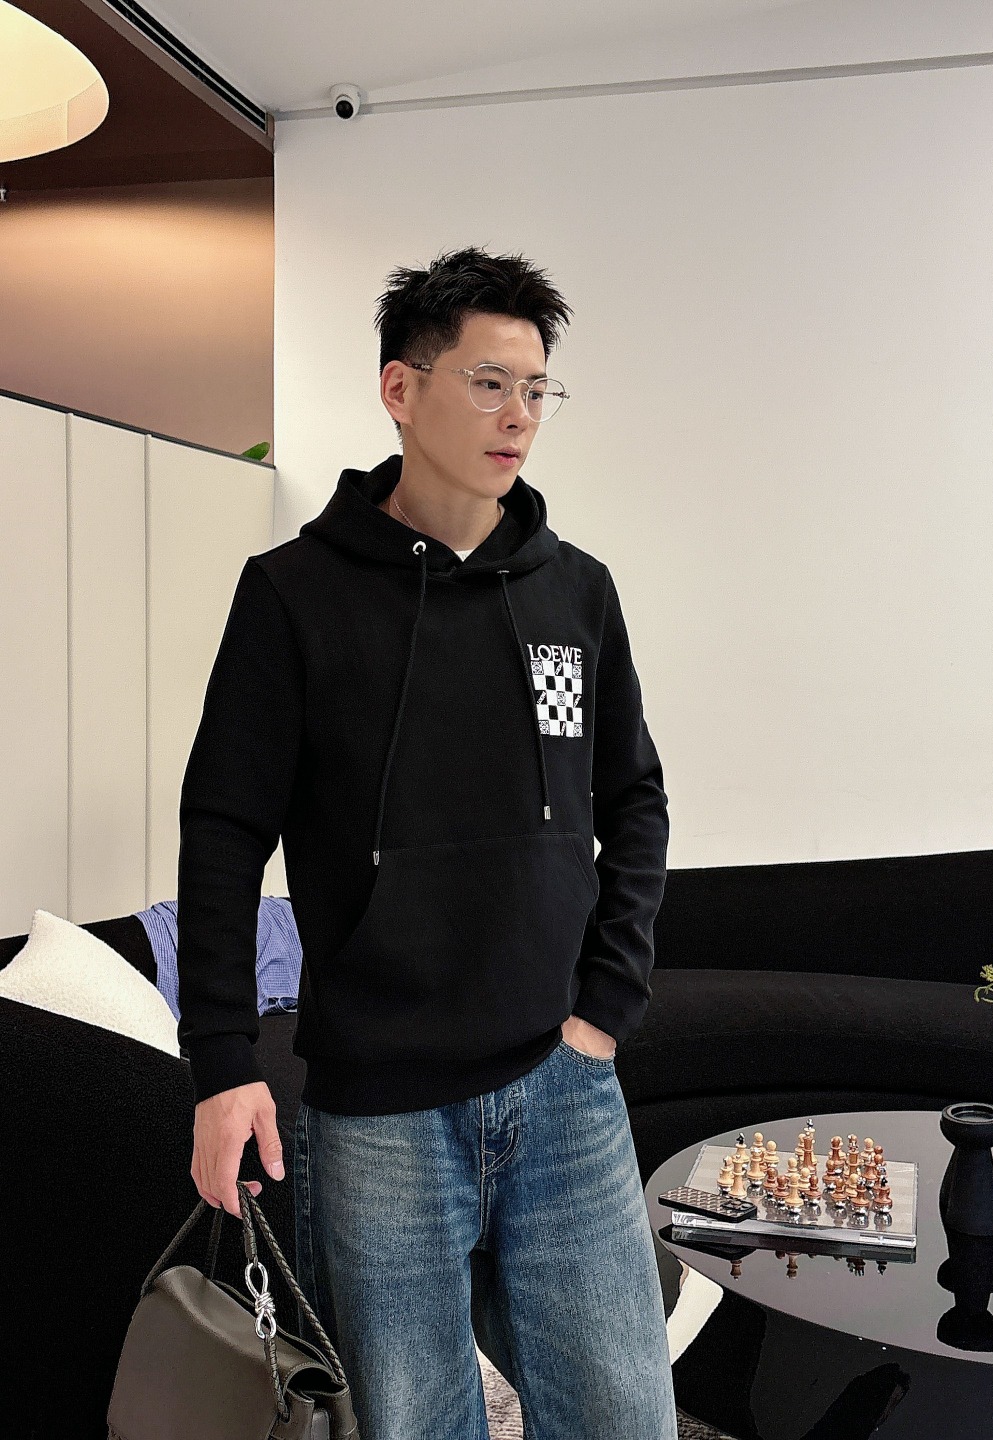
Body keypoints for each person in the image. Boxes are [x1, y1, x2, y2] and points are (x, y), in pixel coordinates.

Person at [176, 244, 677, 1439]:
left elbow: (636, 801)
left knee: (627, 1418)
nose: (520, 416)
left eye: (537, 389)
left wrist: (605, 1009)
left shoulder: (576, 593)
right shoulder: (292, 594)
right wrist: (222, 1064)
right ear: (400, 389)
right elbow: (224, 830)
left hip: (564, 1090)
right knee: (414, 1426)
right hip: (380, 1115)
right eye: (489, 383)